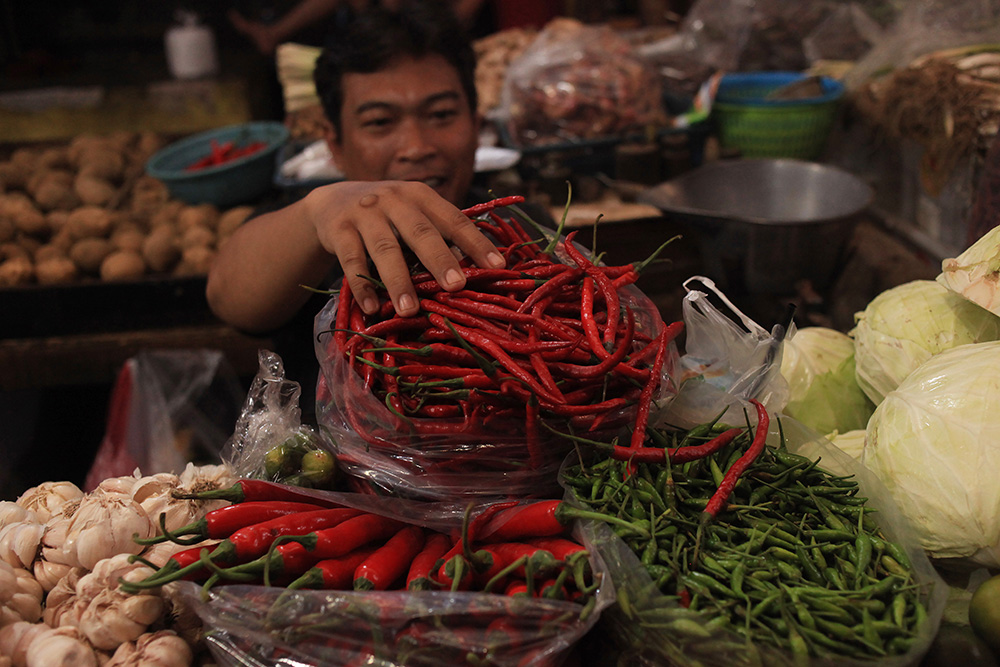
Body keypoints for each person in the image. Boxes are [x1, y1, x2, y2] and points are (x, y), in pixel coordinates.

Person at [206, 2, 532, 412]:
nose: (416, 147)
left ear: (477, 124)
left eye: (441, 114)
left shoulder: (514, 225)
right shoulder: (309, 229)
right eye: (380, 122)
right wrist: (315, 215)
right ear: (334, 143)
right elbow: (230, 299)